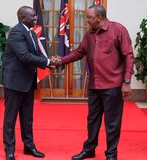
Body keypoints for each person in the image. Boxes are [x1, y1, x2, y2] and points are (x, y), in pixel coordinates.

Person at [52, 5, 134, 160]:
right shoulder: (89, 34)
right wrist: (61, 61)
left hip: (113, 85)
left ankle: (111, 154)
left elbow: (129, 55)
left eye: (89, 17)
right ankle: (89, 149)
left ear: (99, 17)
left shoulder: (118, 30)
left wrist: (127, 81)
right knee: (92, 120)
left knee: (112, 123)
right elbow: (78, 52)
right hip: (94, 86)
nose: (87, 20)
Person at [2, 6, 55, 160]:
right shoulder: (16, 32)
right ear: (23, 18)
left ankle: (29, 146)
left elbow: (36, 54)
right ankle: (9, 150)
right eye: (32, 16)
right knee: (10, 118)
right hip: (14, 82)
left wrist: (51, 62)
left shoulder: (31, 32)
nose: (35, 18)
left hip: (27, 81)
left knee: (27, 117)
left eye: (35, 15)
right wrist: (47, 61)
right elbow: (24, 56)